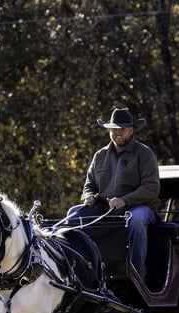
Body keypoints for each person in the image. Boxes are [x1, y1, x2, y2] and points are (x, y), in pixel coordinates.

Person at [65, 107, 160, 279]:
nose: (117, 133)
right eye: (114, 128)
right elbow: (90, 184)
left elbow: (151, 188)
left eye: (122, 129)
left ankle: (138, 276)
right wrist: (87, 196)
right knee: (73, 215)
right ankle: (77, 272)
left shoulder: (144, 154)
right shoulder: (99, 155)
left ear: (131, 130)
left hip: (139, 207)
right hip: (103, 209)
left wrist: (125, 200)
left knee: (136, 220)